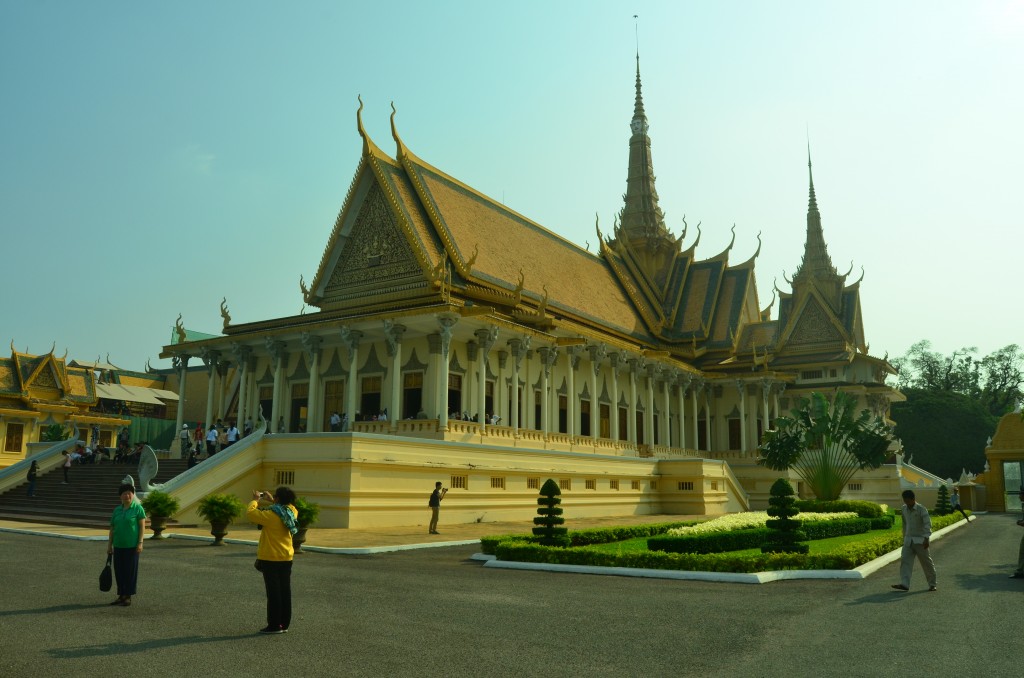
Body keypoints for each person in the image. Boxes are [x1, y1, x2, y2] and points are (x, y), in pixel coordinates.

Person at [247, 486, 298, 634]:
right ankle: (284, 624)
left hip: (270, 558)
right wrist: (272, 500)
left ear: (277, 499)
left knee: (273, 593)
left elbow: (251, 513)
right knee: (285, 591)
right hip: (286, 556)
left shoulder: (270, 515)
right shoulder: (291, 511)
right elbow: (281, 508)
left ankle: (274, 625)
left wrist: (256, 500)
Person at [107, 482, 146, 606]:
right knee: (119, 571)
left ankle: (128, 595)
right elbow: (112, 528)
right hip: (118, 545)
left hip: (132, 546)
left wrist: (140, 542)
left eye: (129, 493)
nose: (127, 496)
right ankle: (121, 595)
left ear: (132, 495)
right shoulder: (117, 510)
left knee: (130, 571)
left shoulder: (137, 508)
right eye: (124, 493)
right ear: (120, 496)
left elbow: (142, 527)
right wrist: (109, 545)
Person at [892, 489, 937, 592]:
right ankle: (905, 584)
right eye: (904, 500)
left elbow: (927, 524)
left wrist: (926, 538)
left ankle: (932, 584)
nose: (906, 503)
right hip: (908, 541)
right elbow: (904, 524)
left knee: (926, 563)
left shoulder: (921, 509)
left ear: (913, 499)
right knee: (905, 562)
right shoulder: (904, 509)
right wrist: (904, 537)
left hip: (920, 541)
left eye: (908, 501)